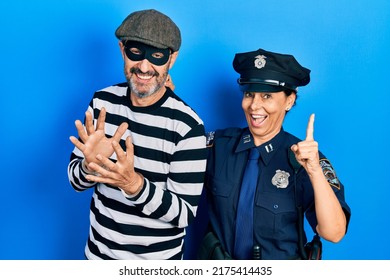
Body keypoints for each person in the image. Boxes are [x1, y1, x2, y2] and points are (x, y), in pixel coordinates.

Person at [67, 9, 207, 260]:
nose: (144, 66)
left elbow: (184, 214)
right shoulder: (102, 103)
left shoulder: (187, 127)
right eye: (136, 53)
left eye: (156, 56)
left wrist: (133, 184)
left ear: (171, 59)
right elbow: (76, 182)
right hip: (98, 257)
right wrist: (89, 166)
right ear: (122, 50)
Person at [198, 48, 351, 260]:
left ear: (289, 101)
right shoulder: (218, 146)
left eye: (267, 96)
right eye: (249, 94)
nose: (254, 106)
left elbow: (334, 233)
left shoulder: (304, 158)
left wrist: (315, 171)